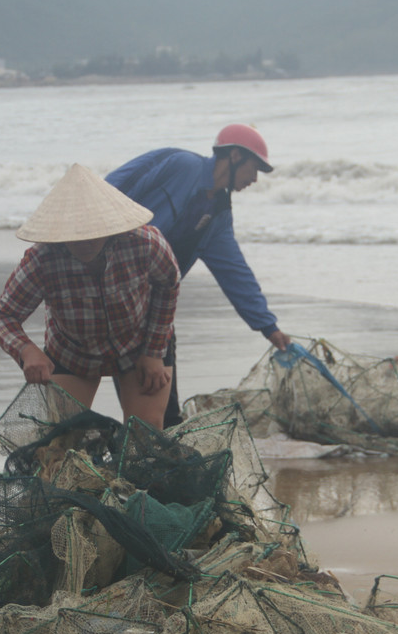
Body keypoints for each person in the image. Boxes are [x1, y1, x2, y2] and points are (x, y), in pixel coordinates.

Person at [106, 124, 290, 427]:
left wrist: (268, 326)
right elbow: (111, 189)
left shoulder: (218, 213)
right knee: (144, 413)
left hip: (155, 309)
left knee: (165, 417)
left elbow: (234, 270)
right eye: (254, 168)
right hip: (110, 294)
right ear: (234, 155)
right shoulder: (181, 165)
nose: (255, 179)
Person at [0, 163, 181, 429]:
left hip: (140, 344)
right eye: (75, 235)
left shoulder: (146, 243)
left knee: (145, 429)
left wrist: (154, 352)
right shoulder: (41, 260)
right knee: (62, 436)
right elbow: (3, 316)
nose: (85, 242)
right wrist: (27, 350)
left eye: (93, 233)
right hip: (73, 352)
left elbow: (169, 284)